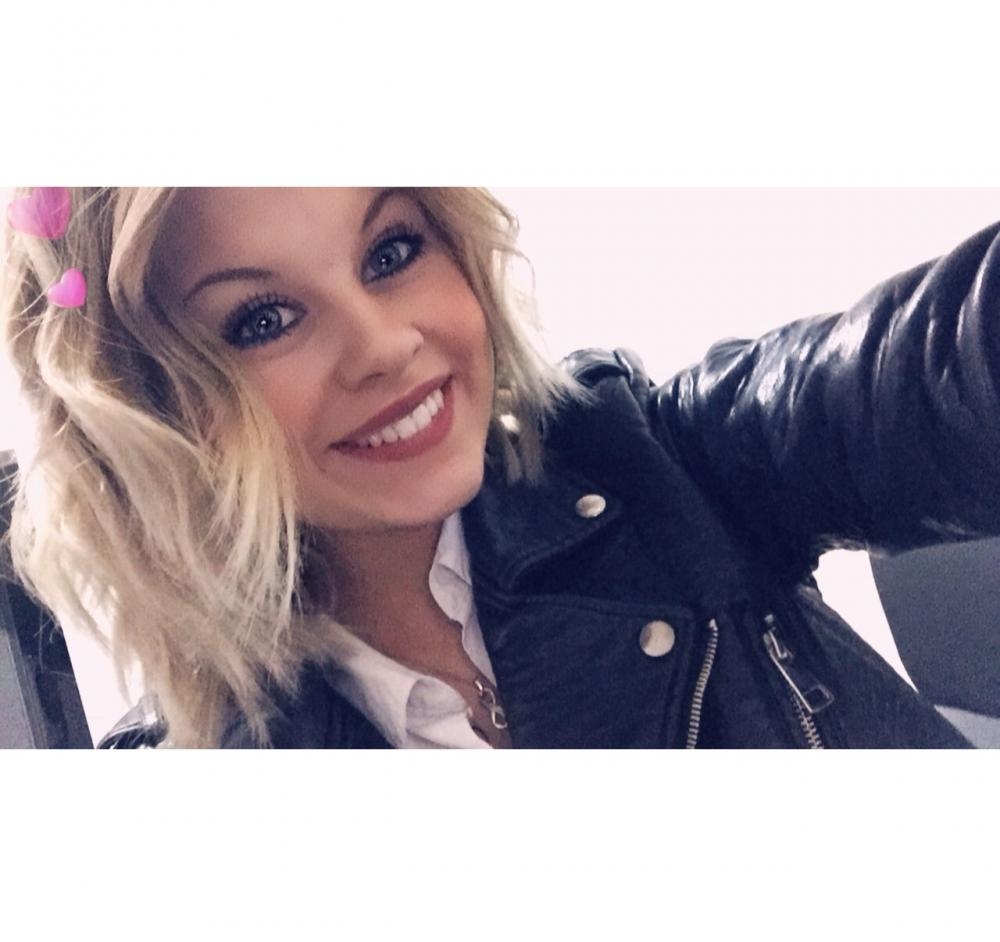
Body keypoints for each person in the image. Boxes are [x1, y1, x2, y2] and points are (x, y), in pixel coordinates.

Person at [1, 187, 997, 749]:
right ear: (147, 414)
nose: (384, 344)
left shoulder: (652, 458)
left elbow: (932, 369)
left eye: (391, 252)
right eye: (263, 319)